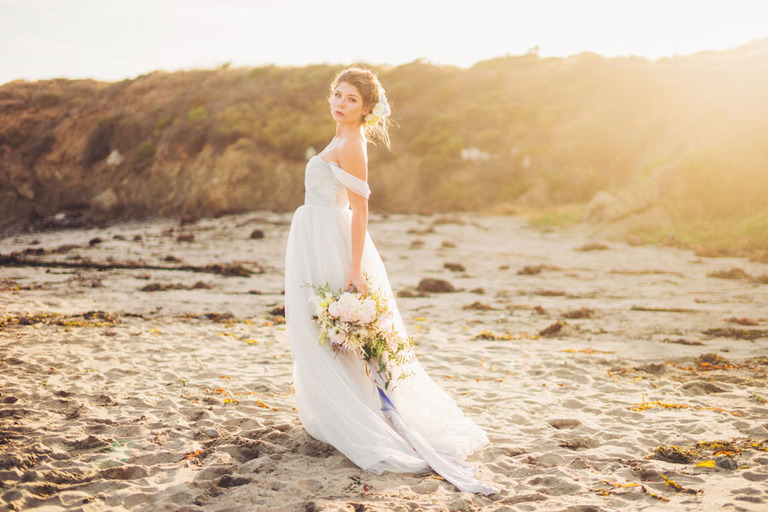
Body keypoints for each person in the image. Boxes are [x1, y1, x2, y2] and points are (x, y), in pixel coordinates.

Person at [284, 67, 498, 494]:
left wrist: (354, 268)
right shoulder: (340, 137)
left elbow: (360, 210)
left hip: (334, 244)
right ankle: (344, 412)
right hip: (317, 238)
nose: (340, 103)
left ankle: (365, 416)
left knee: (336, 333)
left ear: (365, 110)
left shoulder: (352, 143)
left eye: (350, 100)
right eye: (337, 95)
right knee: (323, 334)